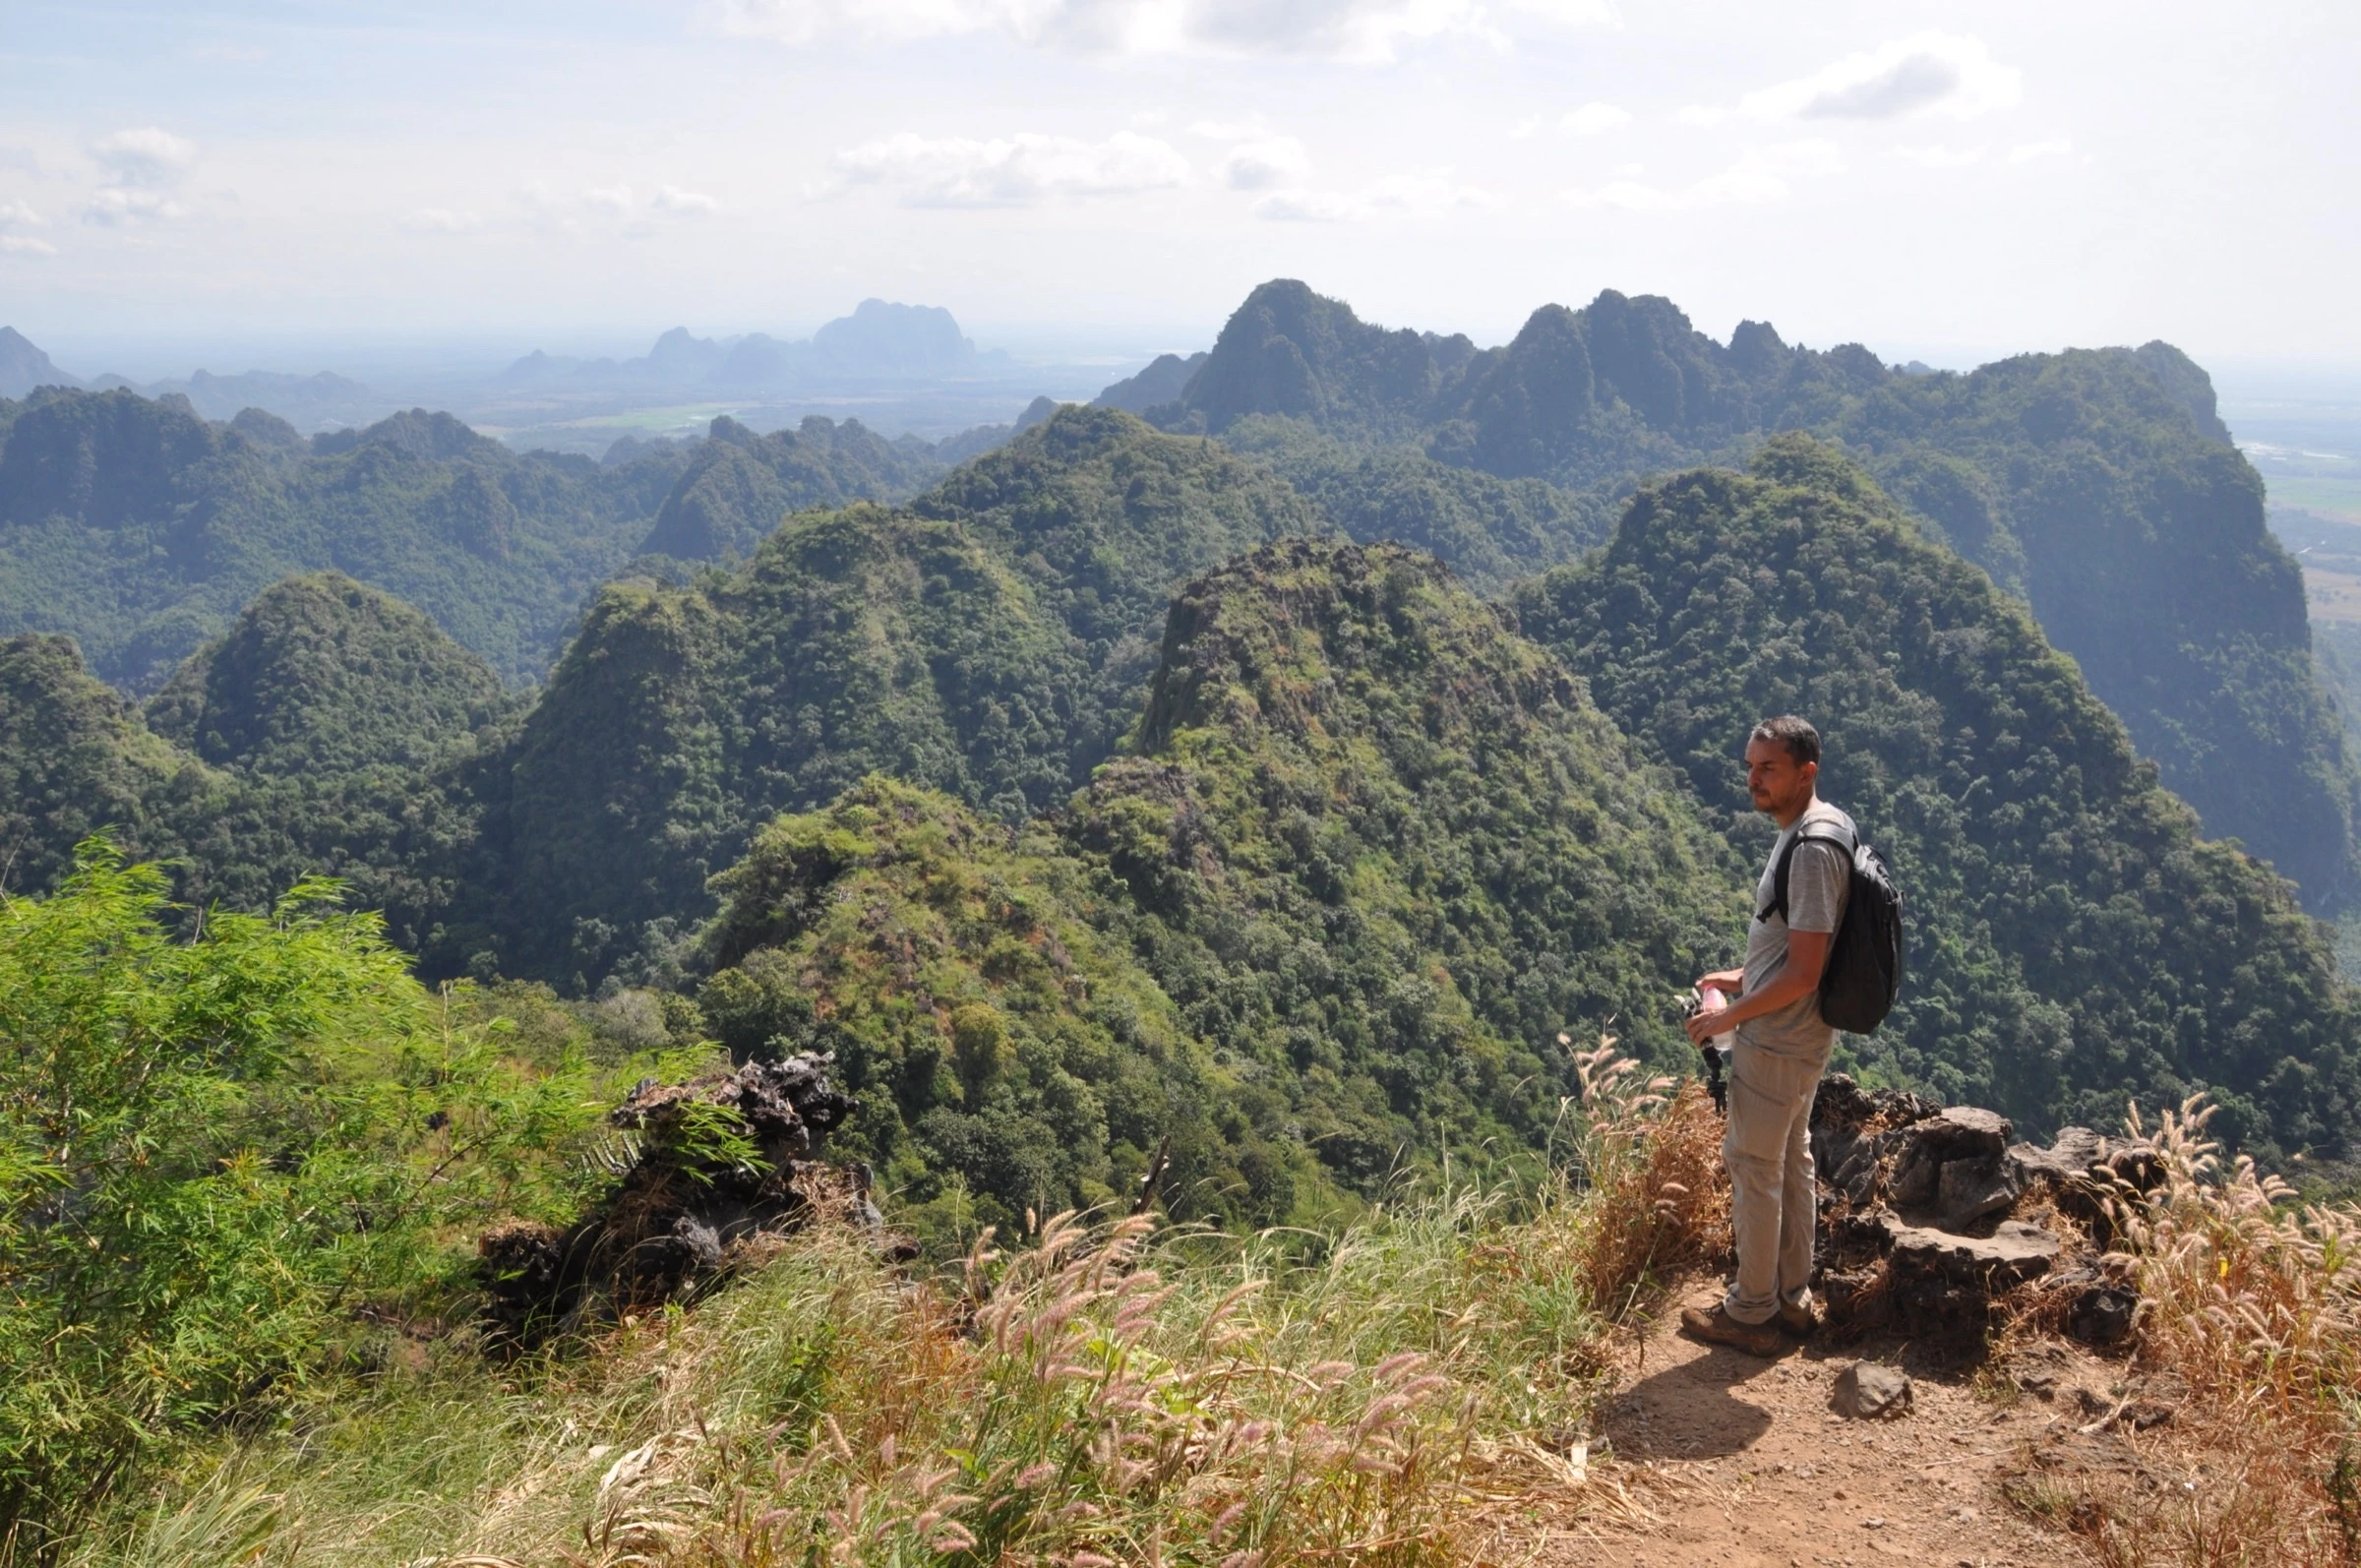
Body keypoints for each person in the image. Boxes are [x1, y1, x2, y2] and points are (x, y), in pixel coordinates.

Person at [1679, 715, 1854, 1357]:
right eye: (1749, 767)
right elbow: (1801, 947)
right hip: (1801, 1035)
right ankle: (1789, 1296)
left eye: (1768, 769)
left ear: (1807, 772)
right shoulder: (1824, 828)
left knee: (1754, 1166)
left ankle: (1749, 1312)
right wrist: (1737, 974)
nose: (1753, 780)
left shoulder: (1808, 850)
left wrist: (1732, 1015)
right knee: (1789, 1156)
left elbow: (1804, 974)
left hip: (1779, 1036)